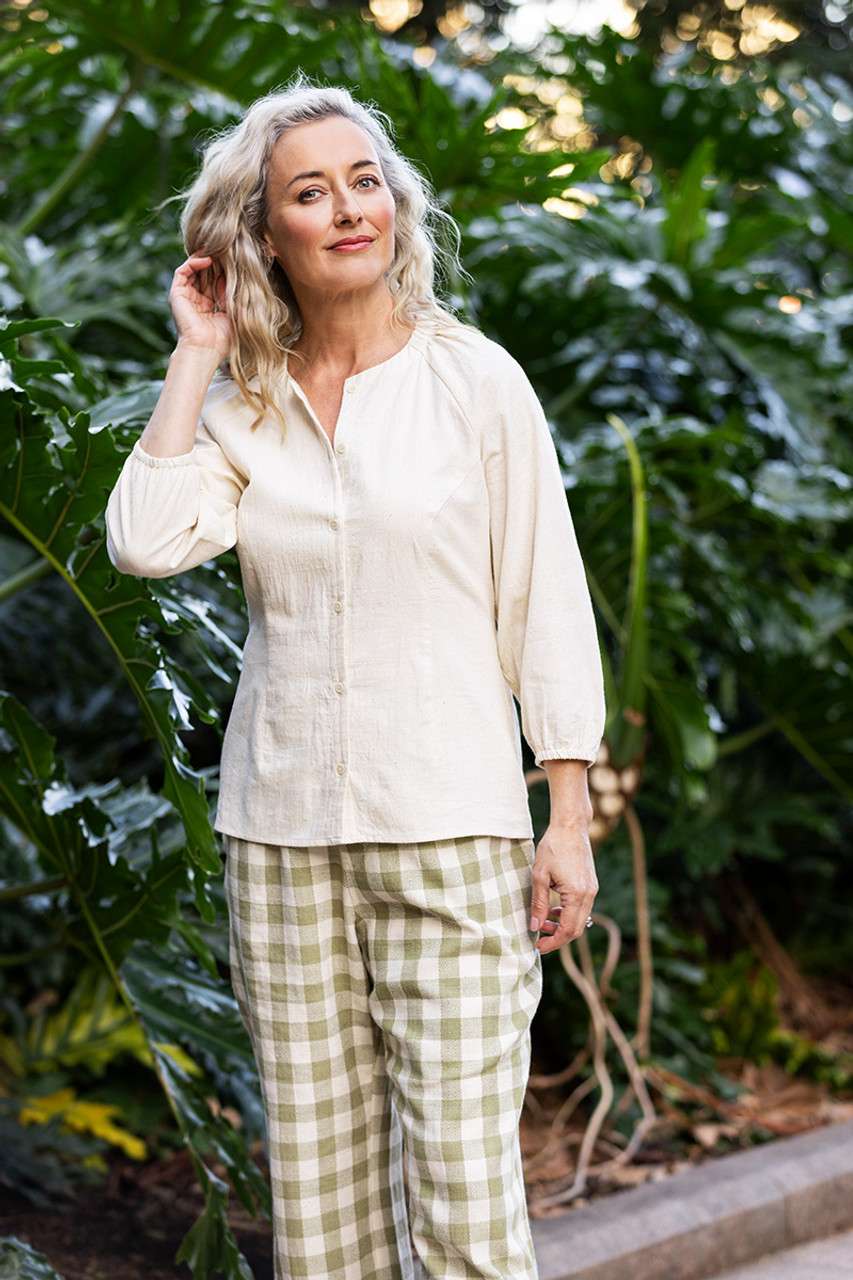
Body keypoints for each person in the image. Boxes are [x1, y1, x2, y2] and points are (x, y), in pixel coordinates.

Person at [104, 72, 606, 1280]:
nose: (346, 210)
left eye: (364, 182)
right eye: (308, 192)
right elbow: (142, 538)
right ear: (260, 229)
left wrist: (569, 812)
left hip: (449, 829)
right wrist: (199, 353)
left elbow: (543, 598)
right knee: (323, 1224)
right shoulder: (245, 408)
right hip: (279, 842)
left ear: (396, 207)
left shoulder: (473, 381)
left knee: (467, 1207)